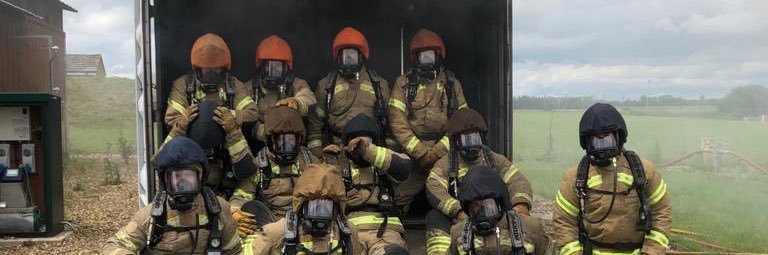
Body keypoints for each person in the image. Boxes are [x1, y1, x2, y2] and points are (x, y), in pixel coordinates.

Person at [554, 103, 671, 255]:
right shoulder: (575, 177)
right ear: (587, 142)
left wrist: (652, 251)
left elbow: (662, 211)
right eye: (597, 141)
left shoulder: (644, 171)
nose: (603, 147)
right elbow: (563, 221)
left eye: (607, 139)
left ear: (619, 137)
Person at [102, 136, 240, 254]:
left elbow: (234, 251)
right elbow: (112, 246)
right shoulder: (151, 216)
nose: (183, 181)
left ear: (200, 176)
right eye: (177, 176)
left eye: (188, 175)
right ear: (166, 180)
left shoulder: (218, 210)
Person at [163, 33, 259, 197]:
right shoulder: (183, 85)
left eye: (216, 71)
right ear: (197, 69)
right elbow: (171, 118)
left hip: (226, 154)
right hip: (191, 154)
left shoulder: (234, 85)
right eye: (206, 72)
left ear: (224, 69)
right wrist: (188, 120)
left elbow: (252, 112)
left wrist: (231, 116)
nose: (211, 76)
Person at [426, 108, 533, 255]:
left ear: (482, 137)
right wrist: (458, 211)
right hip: (459, 218)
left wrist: (520, 205)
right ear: (455, 141)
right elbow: (434, 187)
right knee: (434, 216)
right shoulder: (445, 164)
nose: (471, 145)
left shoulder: (495, 160)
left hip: (493, 215)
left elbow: (518, 181)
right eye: (465, 139)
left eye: (475, 138)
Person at [389, 28, 469, 212]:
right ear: (415, 58)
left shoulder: (451, 85)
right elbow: (397, 122)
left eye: (430, 56)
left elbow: (463, 121)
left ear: (439, 56)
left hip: (445, 151)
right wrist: (421, 153)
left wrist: (439, 150)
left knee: (454, 194)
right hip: (412, 153)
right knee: (398, 198)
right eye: (422, 56)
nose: (426, 60)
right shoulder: (403, 84)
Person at [322, 113, 413, 254]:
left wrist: (368, 150)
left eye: (366, 142)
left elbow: (404, 168)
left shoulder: (382, 166)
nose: (359, 146)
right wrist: (326, 166)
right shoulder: (339, 166)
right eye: (355, 143)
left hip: (384, 233)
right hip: (347, 232)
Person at [229, 106, 318, 237]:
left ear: (299, 139)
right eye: (281, 140)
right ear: (270, 140)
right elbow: (243, 194)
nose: (287, 146)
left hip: (305, 223)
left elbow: (328, 191)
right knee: (251, 208)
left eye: (291, 140)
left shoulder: (309, 161)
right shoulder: (260, 163)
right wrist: (234, 212)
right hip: (271, 224)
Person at [306, 27, 390, 159]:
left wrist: (388, 155)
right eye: (346, 55)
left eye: (353, 55)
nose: (349, 59)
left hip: (371, 151)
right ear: (338, 57)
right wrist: (319, 155)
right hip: (337, 153)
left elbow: (390, 123)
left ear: (361, 56)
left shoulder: (379, 85)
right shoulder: (326, 86)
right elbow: (315, 125)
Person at [241, 163, 354, 255]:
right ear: (301, 206)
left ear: (337, 208)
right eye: (314, 206)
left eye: (327, 207)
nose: (320, 212)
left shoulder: (348, 233)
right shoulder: (278, 232)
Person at [448, 166, 549, 255]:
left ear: (500, 203)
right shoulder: (458, 234)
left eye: (488, 204)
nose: (483, 210)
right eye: (476, 205)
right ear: (468, 208)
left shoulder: (530, 228)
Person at [243, 35, 316, 149]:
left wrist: (296, 102)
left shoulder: (296, 84)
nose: (273, 72)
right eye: (269, 66)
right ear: (261, 67)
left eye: (277, 67)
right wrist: (264, 132)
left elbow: (309, 98)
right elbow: (244, 117)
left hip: (291, 145)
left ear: (286, 68)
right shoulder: (250, 88)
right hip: (259, 145)